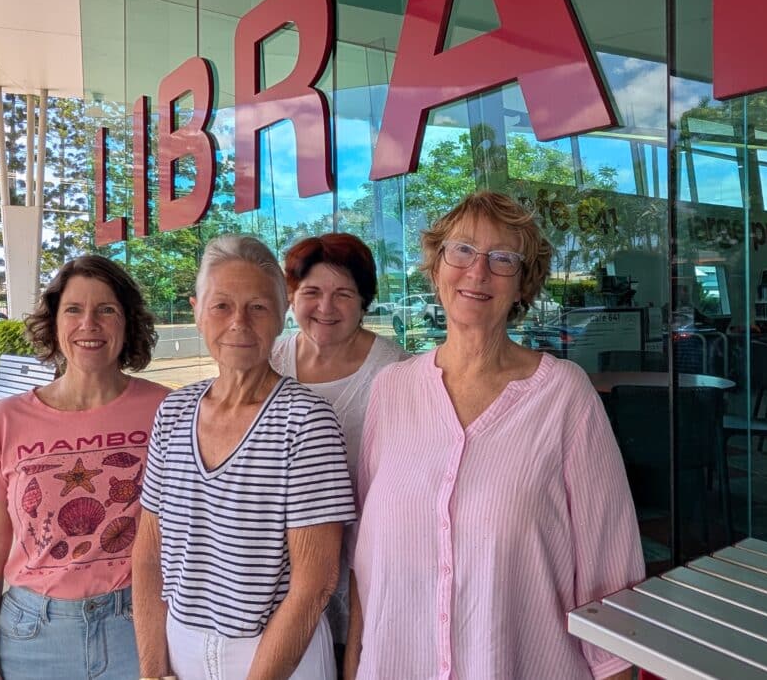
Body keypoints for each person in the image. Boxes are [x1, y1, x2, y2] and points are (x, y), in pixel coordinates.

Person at [346, 192, 644, 680]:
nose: (478, 271)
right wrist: (356, 659)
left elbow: (610, 566)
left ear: (523, 284)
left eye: (503, 258)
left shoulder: (565, 396)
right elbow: (367, 551)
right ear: (437, 266)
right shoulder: (392, 389)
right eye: (462, 250)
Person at [134, 235, 357, 680]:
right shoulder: (175, 411)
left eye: (257, 307)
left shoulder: (306, 421)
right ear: (197, 311)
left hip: (276, 656)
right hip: (180, 647)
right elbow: (148, 553)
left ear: (280, 317)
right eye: (221, 306)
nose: (239, 322)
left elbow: (315, 585)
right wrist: (152, 668)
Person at [0, 255, 168, 680]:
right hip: (32, 636)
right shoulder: (4, 421)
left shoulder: (169, 410)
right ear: (53, 322)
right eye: (73, 309)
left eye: (106, 309)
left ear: (127, 322)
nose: (88, 323)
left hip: (141, 627)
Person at [271, 233, 407, 670]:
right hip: (279, 572)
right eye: (311, 292)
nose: (325, 308)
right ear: (292, 297)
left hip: (361, 571)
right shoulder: (269, 360)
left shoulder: (396, 372)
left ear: (364, 301)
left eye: (343, 294)